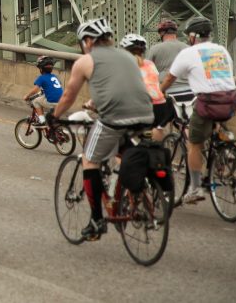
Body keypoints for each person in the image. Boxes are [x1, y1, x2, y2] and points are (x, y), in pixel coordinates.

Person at [48, 18, 154, 240]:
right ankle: (137, 198)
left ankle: (96, 220)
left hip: (114, 118)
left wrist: (54, 116)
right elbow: (121, 86)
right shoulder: (129, 57)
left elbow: (68, 96)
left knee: (90, 159)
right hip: (146, 114)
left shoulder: (85, 61)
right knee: (124, 155)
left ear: (88, 40)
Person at [161, 16, 236, 204]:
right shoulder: (221, 50)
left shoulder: (188, 53)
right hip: (230, 100)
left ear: (193, 36)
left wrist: (158, 92)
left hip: (208, 102)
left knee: (194, 143)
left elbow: (170, 79)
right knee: (217, 125)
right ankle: (226, 152)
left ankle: (195, 188)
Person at [120, 34, 168, 141]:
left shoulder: (124, 64)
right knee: (155, 131)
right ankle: (158, 151)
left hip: (139, 107)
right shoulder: (150, 64)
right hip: (161, 106)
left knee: (121, 138)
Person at [24, 56, 62, 124]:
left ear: (41, 69)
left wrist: (27, 96)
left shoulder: (41, 78)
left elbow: (35, 90)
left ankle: (42, 120)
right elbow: (53, 89)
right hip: (62, 102)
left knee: (35, 101)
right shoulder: (55, 77)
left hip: (52, 102)